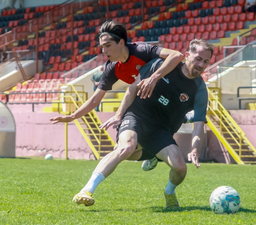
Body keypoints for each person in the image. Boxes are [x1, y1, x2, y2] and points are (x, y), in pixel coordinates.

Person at [69, 39, 213, 209]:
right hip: (137, 115)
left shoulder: (200, 89)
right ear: (188, 56)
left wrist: (195, 148)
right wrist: (119, 114)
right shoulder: (161, 64)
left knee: (180, 168)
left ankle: (169, 192)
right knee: (125, 147)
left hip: (161, 131)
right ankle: (86, 190)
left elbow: (198, 124)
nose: (201, 65)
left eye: (205, 61)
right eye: (198, 59)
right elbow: (132, 88)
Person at [50, 20, 184, 123]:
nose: (104, 51)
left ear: (121, 42)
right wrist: (73, 116)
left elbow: (177, 55)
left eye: (108, 45)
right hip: (151, 101)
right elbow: (95, 99)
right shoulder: (112, 68)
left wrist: (153, 78)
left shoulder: (141, 51)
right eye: (102, 47)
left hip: (177, 91)